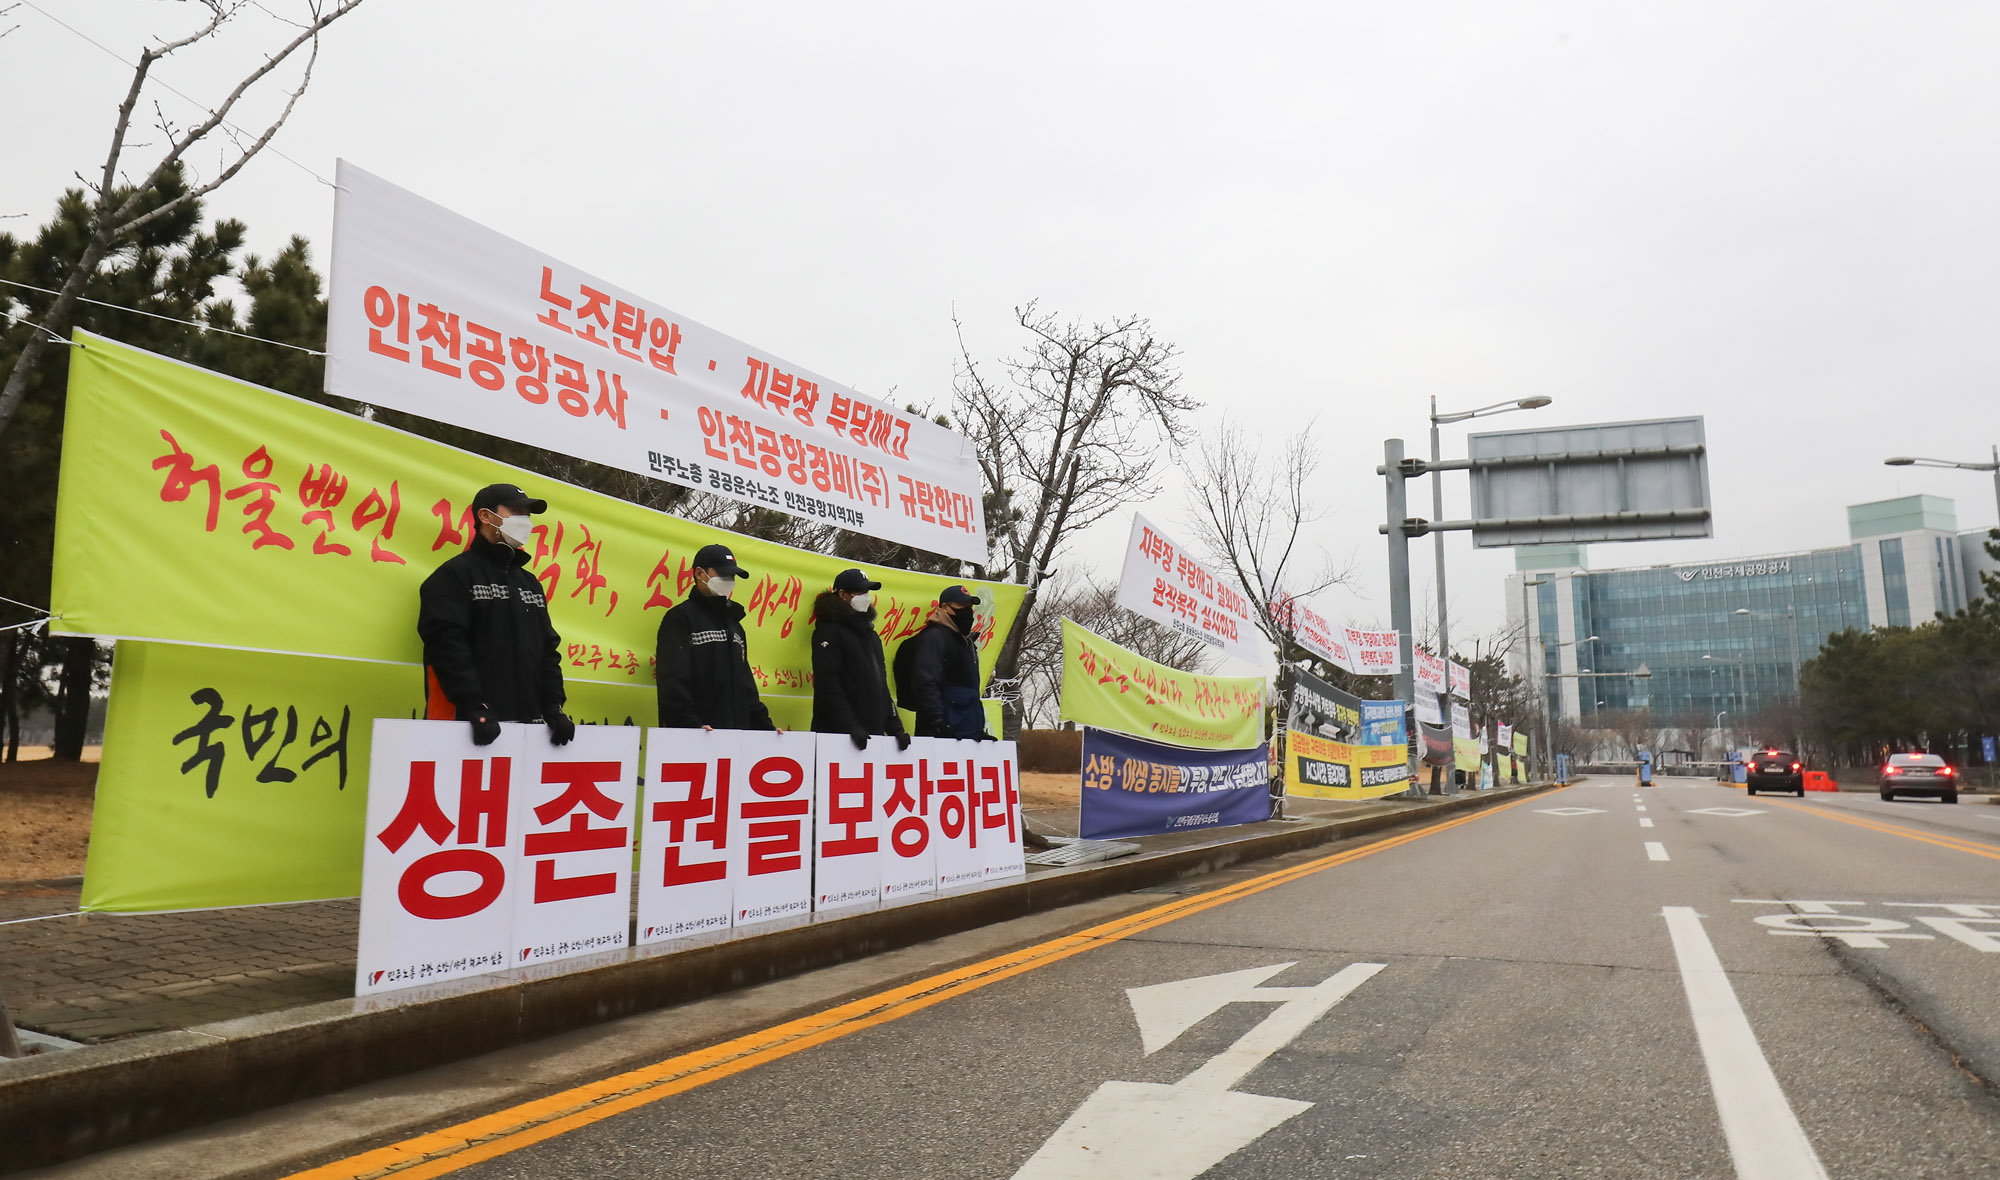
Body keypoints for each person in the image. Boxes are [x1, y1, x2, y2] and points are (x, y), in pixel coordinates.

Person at [417, 483, 574, 747]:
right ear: (485, 516)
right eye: (515, 511)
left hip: (528, 731)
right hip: (466, 727)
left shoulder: (530, 583)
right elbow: (446, 648)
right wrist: (474, 705)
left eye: (528, 515)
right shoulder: (453, 576)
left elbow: (548, 651)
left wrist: (553, 707)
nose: (525, 521)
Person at [655, 542, 776, 732]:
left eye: (732, 576)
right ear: (699, 573)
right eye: (722, 574)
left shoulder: (734, 624)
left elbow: (746, 685)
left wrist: (766, 728)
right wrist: (690, 726)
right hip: (698, 734)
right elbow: (673, 681)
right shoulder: (680, 618)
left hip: (737, 736)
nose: (729, 580)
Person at [811, 568, 911, 750]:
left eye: (867, 592)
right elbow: (828, 684)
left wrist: (895, 726)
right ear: (842, 594)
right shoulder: (828, 631)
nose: (866, 597)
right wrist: (850, 726)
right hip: (838, 737)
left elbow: (881, 685)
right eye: (859, 592)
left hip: (872, 734)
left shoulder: (871, 635)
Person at [895, 585, 992, 740]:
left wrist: (978, 729)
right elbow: (925, 681)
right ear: (945, 607)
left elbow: (970, 691)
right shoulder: (934, 637)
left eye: (969, 606)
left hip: (968, 732)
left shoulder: (967, 642)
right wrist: (937, 721)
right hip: (941, 732)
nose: (967, 611)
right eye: (961, 605)